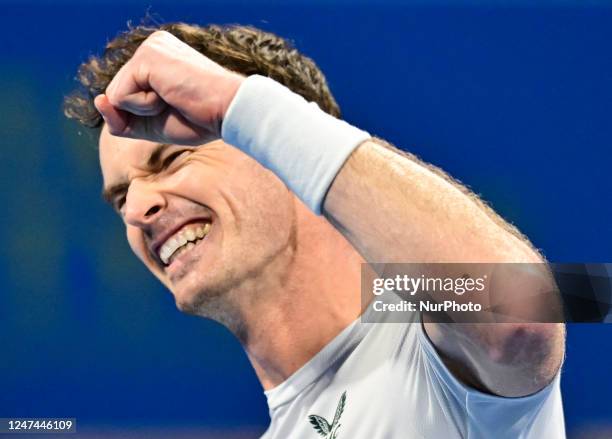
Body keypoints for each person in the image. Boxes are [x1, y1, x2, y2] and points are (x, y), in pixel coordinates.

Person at [64, 22, 566, 438]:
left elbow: (525, 311)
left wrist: (236, 104)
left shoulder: (423, 336)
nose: (137, 210)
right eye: (122, 197)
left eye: (172, 159)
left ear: (277, 151)